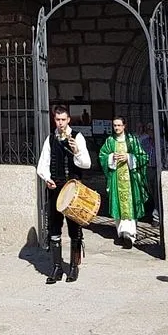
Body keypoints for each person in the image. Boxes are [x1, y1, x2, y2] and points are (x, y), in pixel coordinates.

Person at [36, 105, 92, 283]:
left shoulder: (77, 137)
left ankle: (74, 267)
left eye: (63, 120)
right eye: (57, 120)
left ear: (68, 120)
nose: (60, 123)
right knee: (54, 226)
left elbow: (86, 163)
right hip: (55, 187)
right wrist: (47, 178)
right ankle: (57, 268)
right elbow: (43, 163)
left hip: (73, 188)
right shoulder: (51, 138)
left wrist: (76, 151)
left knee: (74, 227)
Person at [98, 117, 149, 247]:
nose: (116, 128)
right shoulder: (110, 141)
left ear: (124, 126)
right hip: (116, 178)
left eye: (119, 125)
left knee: (130, 205)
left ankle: (130, 235)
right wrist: (111, 158)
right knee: (118, 204)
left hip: (130, 179)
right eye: (115, 125)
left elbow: (143, 156)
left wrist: (128, 157)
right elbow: (102, 156)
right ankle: (120, 233)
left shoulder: (132, 140)